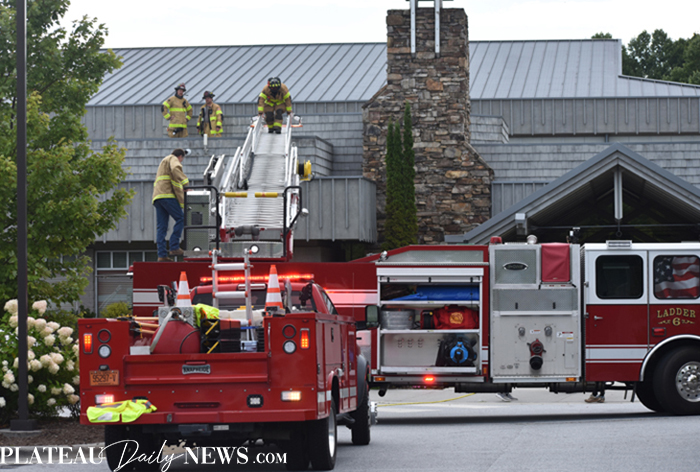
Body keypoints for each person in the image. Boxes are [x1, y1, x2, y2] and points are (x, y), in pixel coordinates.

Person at [152, 148, 190, 262]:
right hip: (167, 195)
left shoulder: (164, 162)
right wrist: (186, 184)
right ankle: (174, 247)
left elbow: (172, 181)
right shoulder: (173, 159)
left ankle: (162, 255)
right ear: (180, 156)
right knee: (181, 218)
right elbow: (175, 169)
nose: (181, 162)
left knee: (161, 227)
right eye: (181, 159)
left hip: (158, 197)